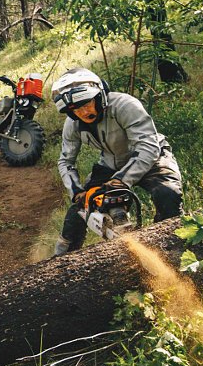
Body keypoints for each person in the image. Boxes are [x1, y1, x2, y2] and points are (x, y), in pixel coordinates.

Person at [51, 68, 183, 255]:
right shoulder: (72, 125)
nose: (83, 112)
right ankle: (61, 259)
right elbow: (65, 161)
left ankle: (172, 247)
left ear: (99, 96)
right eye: (75, 109)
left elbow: (148, 146)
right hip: (111, 163)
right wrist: (77, 192)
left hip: (153, 157)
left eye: (87, 103)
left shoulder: (125, 105)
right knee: (79, 210)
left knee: (168, 195)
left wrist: (121, 180)